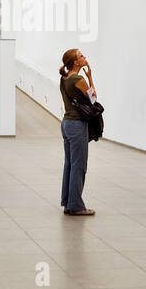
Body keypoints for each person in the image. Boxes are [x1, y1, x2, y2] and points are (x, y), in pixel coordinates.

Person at [58, 48, 97, 216]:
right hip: (77, 125)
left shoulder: (64, 78)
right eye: (81, 56)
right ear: (75, 62)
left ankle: (68, 203)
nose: (84, 57)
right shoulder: (78, 79)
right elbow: (93, 99)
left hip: (66, 123)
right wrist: (90, 77)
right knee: (79, 166)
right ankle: (76, 205)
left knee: (69, 165)